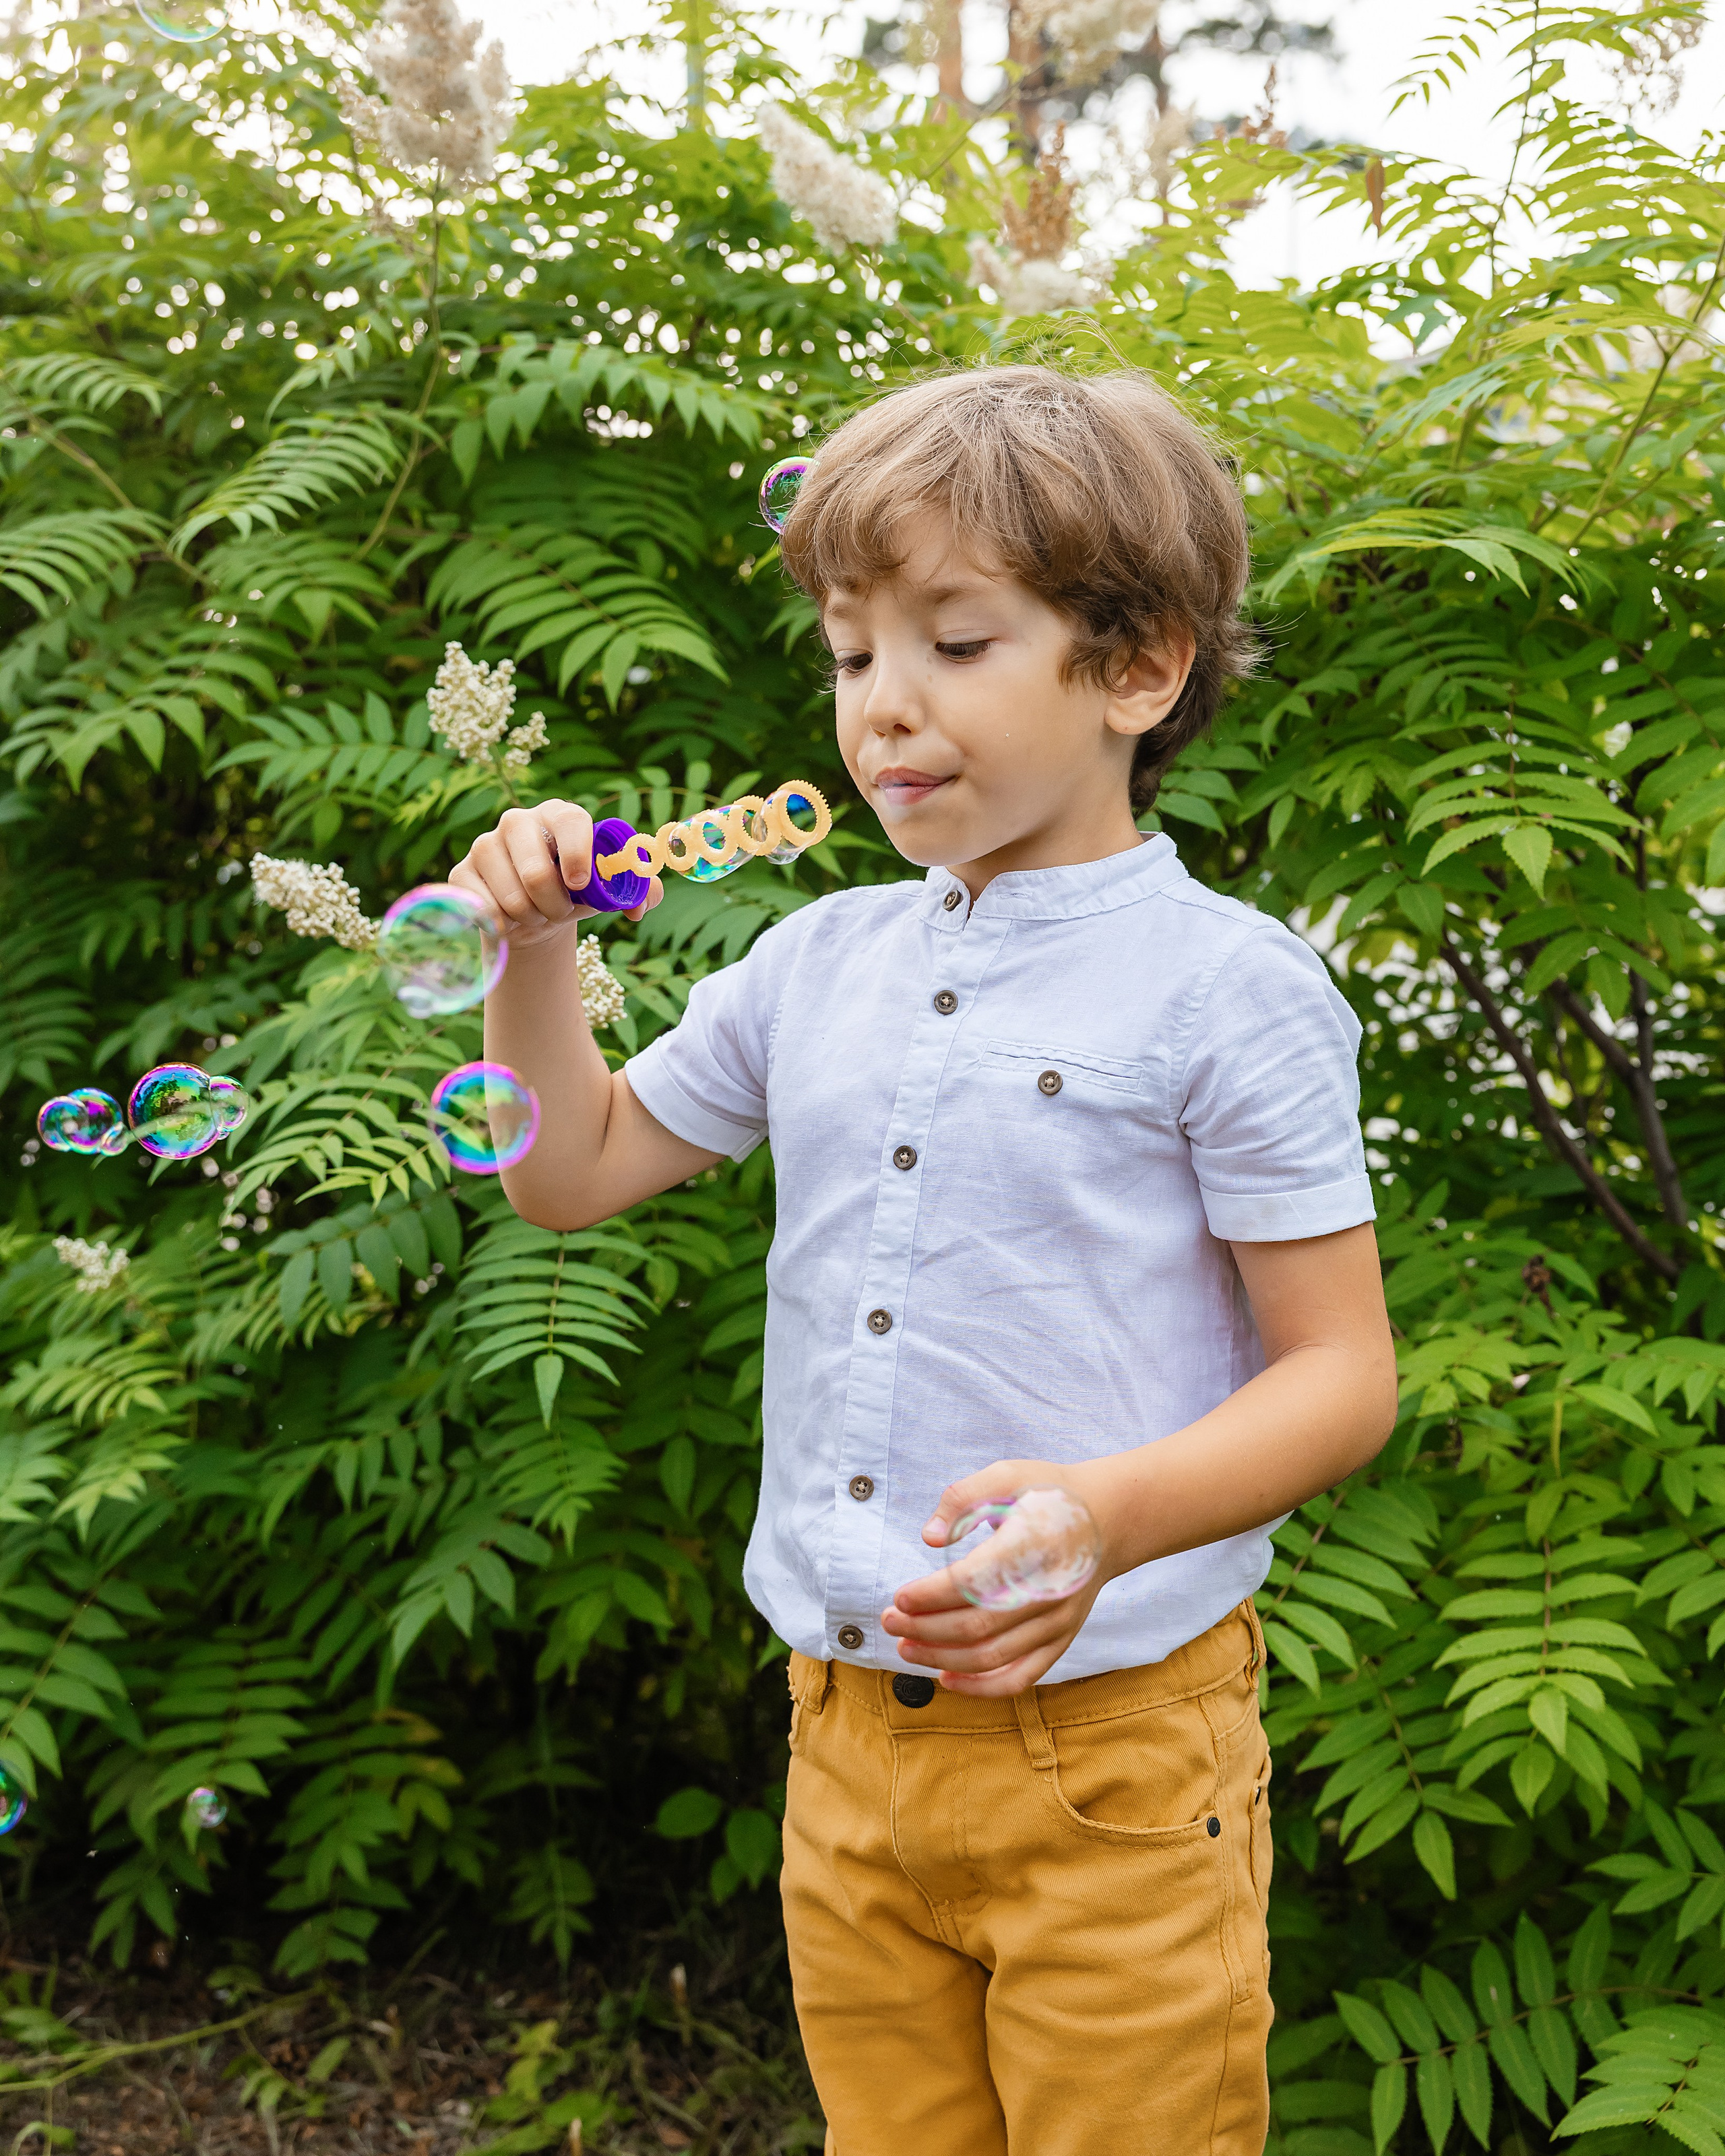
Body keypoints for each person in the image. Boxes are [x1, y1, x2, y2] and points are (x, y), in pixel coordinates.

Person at [452, 364, 1398, 2156]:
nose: (884, 704)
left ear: (1138, 668)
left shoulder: (1229, 991)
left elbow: (1342, 1374)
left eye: (955, 643)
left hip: (1115, 1751)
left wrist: (1111, 1515)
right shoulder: (815, 965)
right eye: (850, 651)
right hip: (848, 1745)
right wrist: (532, 952)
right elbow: (566, 1174)